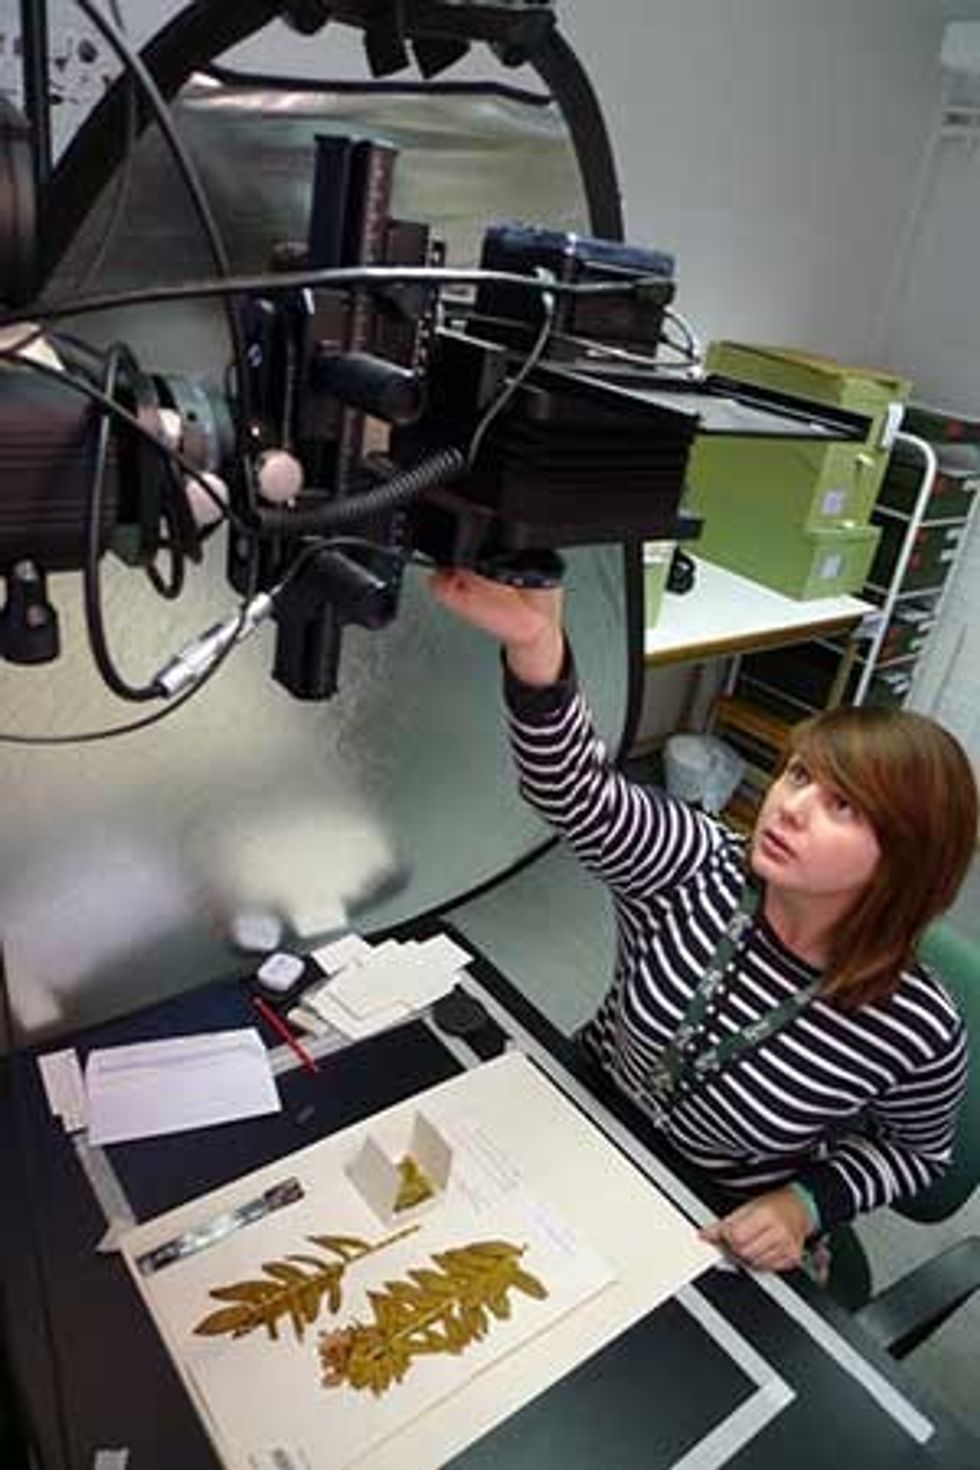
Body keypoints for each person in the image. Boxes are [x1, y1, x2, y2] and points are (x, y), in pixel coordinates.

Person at [430, 567, 979, 1275]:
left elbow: (915, 1153)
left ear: (903, 860)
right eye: (801, 774)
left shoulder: (915, 1025)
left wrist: (805, 1205)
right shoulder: (698, 866)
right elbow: (573, 789)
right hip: (587, 1106)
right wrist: (538, 648)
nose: (790, 805)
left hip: (714, 1213)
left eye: (843, 806)